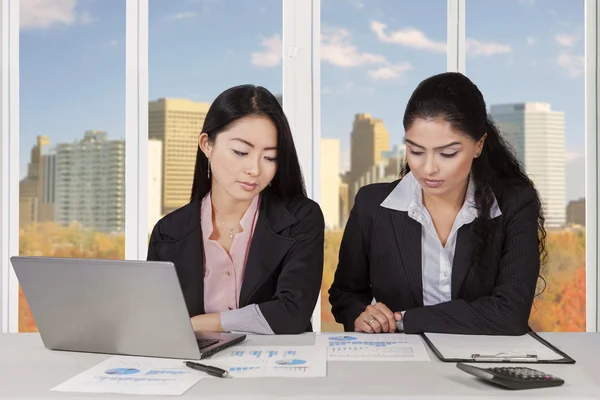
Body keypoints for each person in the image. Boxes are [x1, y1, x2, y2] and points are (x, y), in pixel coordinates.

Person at [329, 72, 546, 336]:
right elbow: (345, 293)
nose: (428, 168)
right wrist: (362, 316)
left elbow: (510, 314)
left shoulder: (514, 205)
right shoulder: (372, 205)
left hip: (484, 364)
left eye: (447, 153)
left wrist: (404, 321)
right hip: (401, 364)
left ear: (478, 145)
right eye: (416, 151)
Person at [147, 84, 324, 335]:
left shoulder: (301, 219)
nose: (254, 169)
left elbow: (291, 314)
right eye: (241, 152)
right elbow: (156, 321)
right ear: (207, 144)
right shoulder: (168, 232)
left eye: (270, 157)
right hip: (193, 366)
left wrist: (194, 325)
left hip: (278, 364)